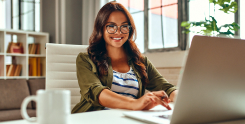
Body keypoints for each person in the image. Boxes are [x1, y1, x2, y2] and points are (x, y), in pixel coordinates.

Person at [71, 1, 177, 113]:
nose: (118, 32)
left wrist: (185, 99)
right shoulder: (85, 59)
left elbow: (167, 88)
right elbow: (96, 92)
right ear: (101, 28)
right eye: (111, 26)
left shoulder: (141, 61)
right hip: (93, 119)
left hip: (127, 119)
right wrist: (136, 103)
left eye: (124, 26)